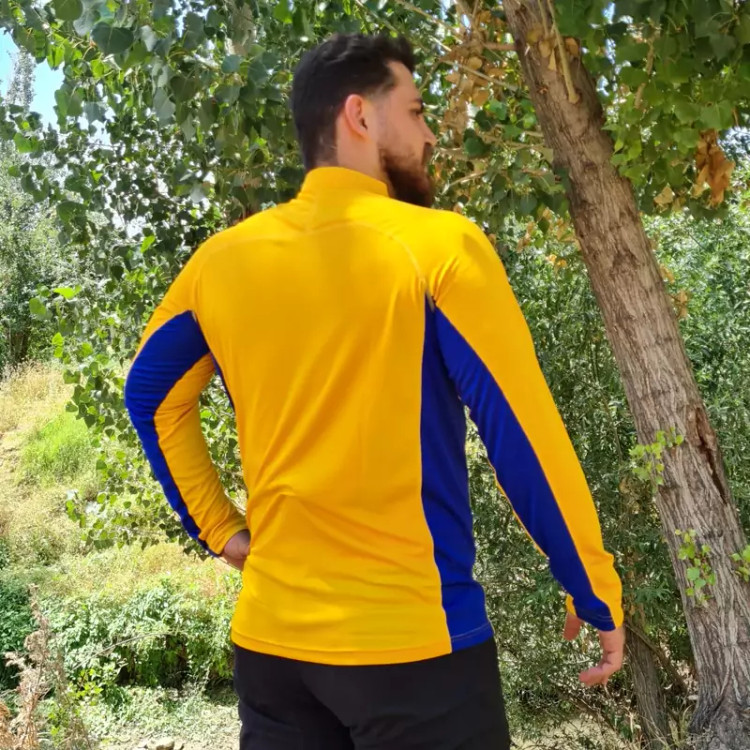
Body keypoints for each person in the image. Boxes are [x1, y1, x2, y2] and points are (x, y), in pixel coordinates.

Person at [124, 33, 624, 750]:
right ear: (359, 115)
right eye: (416, 112)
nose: (430, 137)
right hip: (414, 652)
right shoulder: (439, 246)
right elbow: (522, 435)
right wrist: (591, 584)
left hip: (273, 655)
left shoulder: (220, 263)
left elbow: (150, 398)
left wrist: (220, 530)